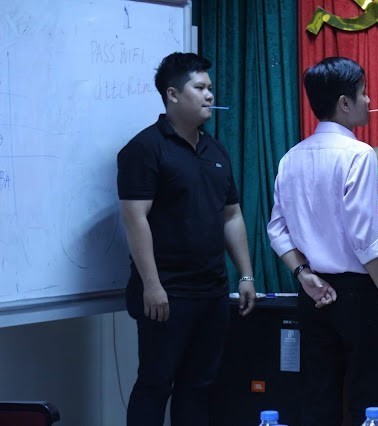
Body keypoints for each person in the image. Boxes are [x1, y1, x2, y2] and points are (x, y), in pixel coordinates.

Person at [267, 56, 378, 426]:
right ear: (344, 103)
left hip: (312, 290)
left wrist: (302, 274)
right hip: (358, 293)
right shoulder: (359, 154)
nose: (369, 100)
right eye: (364, 93)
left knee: (318, 397)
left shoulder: (290, 157)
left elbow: (276, 230)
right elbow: (363, 235)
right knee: (370, 398)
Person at [117, 52, 256, 426]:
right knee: (155, 384)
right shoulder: (145, 148)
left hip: (212, 291)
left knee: (199, 386)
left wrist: (245, 275)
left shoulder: (215, 149)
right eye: (200, 87)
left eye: (210, 88)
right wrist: (152, 285)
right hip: (167, 293)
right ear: (173, 94)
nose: (210, 95)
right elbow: (135, 219)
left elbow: (231, 215)